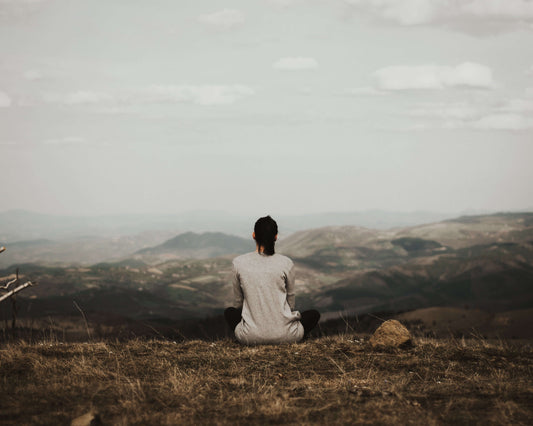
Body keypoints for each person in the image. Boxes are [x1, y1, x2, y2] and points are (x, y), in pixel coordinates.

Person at [224, 215, 320, 344]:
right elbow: (290, 303)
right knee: (313, 314)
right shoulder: (286, 263)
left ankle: (253, 334)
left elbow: (238, 303)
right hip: (287, 336)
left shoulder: (238, 263)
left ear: (253, 235)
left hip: (249, 337)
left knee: (229, 312)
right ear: (275, 237)